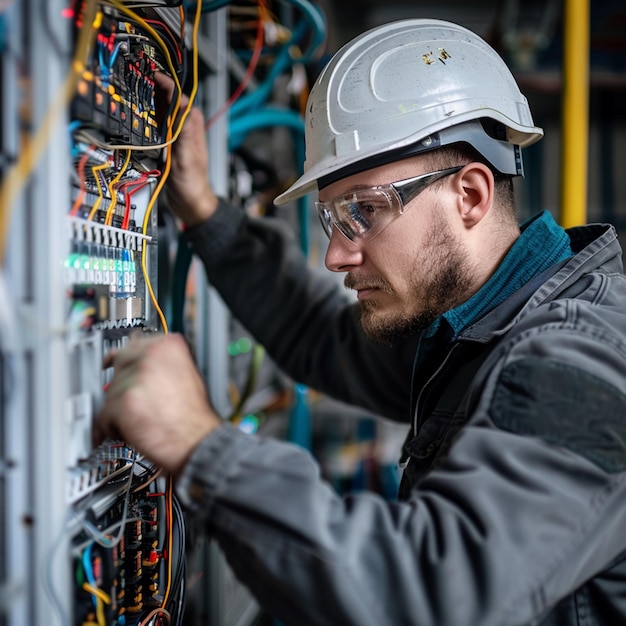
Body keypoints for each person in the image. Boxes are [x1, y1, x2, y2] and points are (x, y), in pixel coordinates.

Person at [95, 18, 626, 626]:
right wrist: (203, 211)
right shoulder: (471, 331)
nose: (336, 255)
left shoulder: (582, 358)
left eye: (365, 211)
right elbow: (321, 337)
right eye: (333, 218)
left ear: (471, 196)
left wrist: (200, 447)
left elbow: (425, 596)